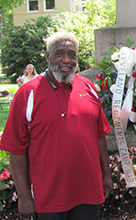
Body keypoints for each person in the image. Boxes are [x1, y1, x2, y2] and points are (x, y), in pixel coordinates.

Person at [0, 32, 112, 220]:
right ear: (47, 56)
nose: (66, 60)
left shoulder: (90, 88)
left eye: (72, 54)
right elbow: (16, 150)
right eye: (59, 53)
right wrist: (24, 197)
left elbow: (99, 137)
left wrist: (106, 175)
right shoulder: (27, 93)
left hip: (88, 193)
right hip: (47, 198)